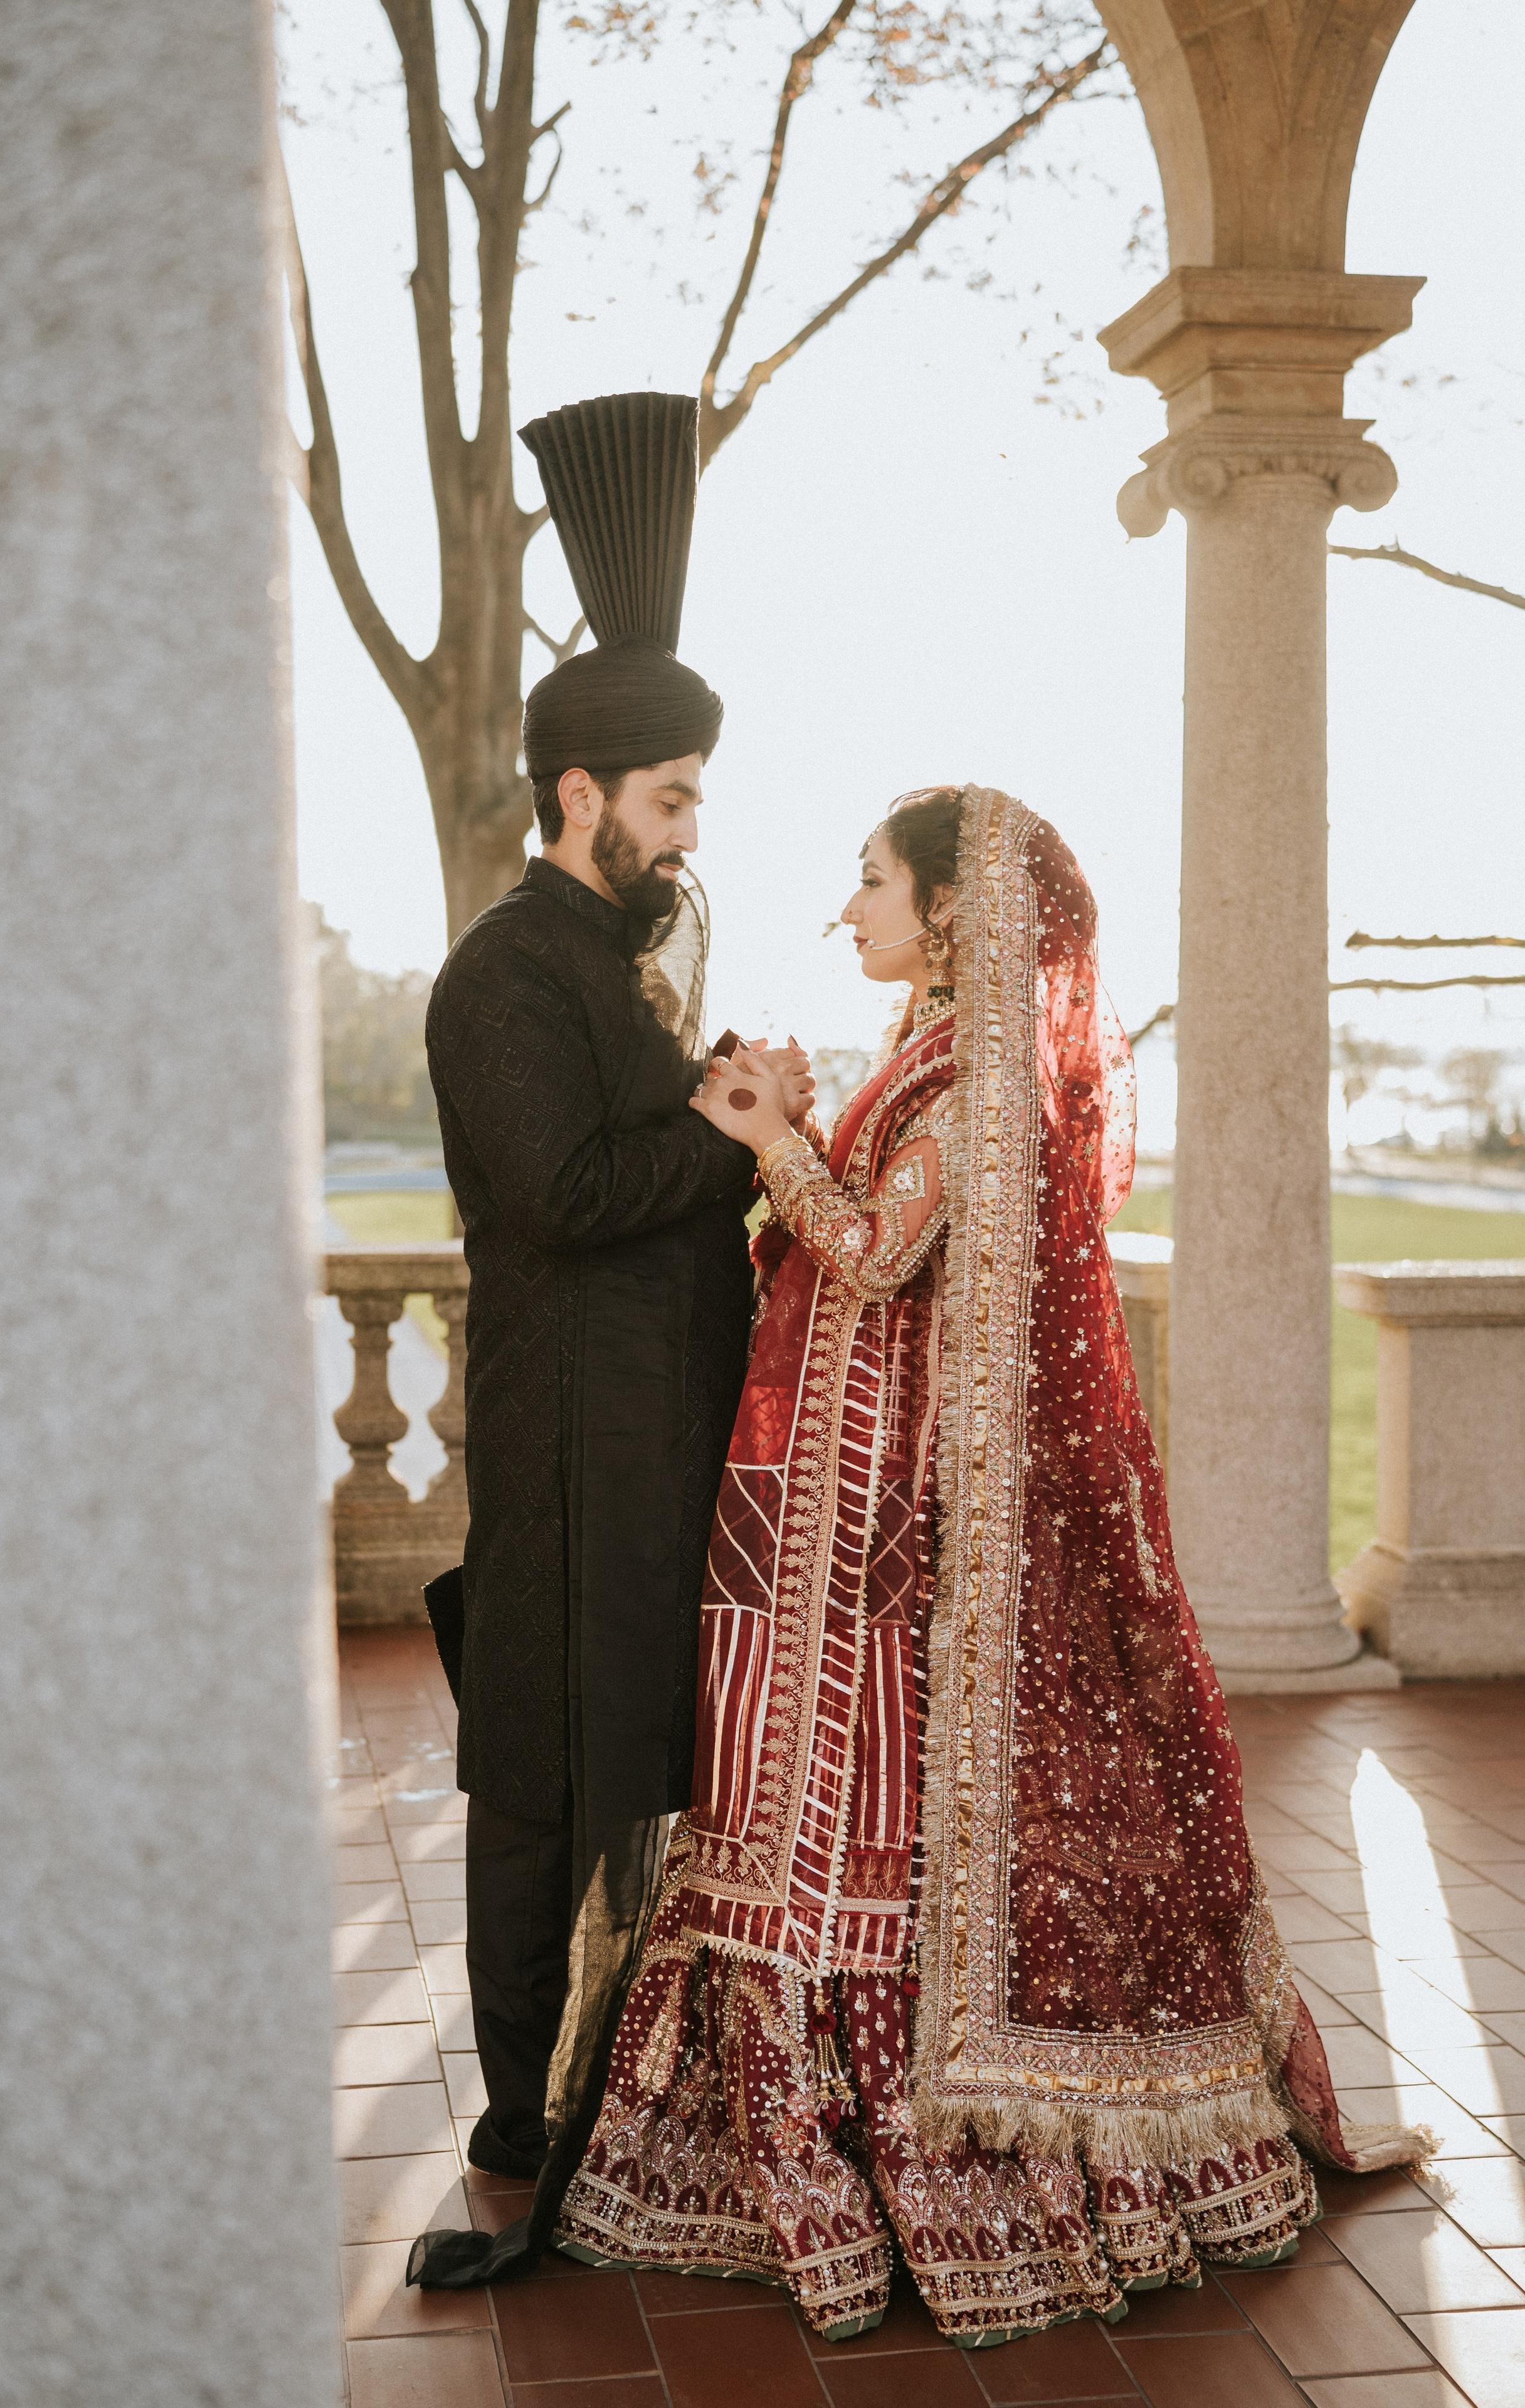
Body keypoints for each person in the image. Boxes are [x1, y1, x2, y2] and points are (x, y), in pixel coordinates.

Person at [551, 783, 1430, 2347]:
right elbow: (886, 1243)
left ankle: (886, 2147)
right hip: (809, 1498)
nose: (850, 910)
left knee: (841, 1798)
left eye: (873, 883)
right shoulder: (931, 1062)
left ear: (955, 910)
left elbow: (884, 1253)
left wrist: (764, 1142)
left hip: (874, 1520)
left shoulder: (977, 1081)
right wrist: (802, 1126)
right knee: (766, 1773)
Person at [408, 393, 810, 2289]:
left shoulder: (622, 963)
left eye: (696, 802)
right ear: (580, 796)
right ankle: (517, 2111)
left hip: (666, 1434)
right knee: (542, 1776)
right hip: (574, 1445)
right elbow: (565, 1195)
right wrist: (715, 1136)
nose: (690, 833)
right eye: (673, 801)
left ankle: (619, 2070)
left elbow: (639, 1166)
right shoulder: (502, 971)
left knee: (649, 1751)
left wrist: (713, 1104)